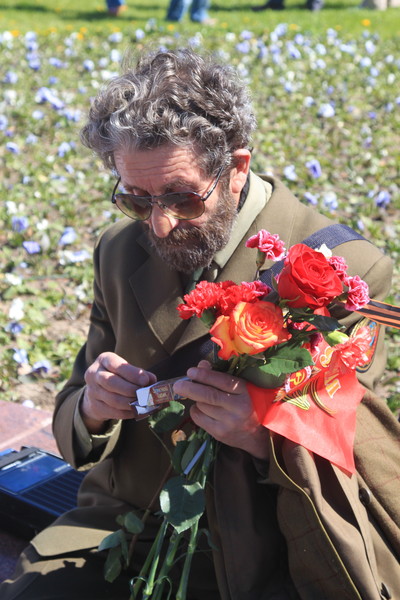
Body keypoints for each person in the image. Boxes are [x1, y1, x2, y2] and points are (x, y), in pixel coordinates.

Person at [1, 48, 399, 600]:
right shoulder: (119, 250)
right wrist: (94, 405)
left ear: (236, 168)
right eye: (135, 199)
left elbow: (350, 446)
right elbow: (75, 411)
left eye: (182, 198)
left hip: (264, 541)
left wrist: (261, 435)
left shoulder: (342, 270)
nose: (160, 224)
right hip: (126, 527)